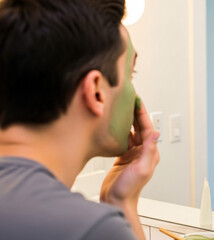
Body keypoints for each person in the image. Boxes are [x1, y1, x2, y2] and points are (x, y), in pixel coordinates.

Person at [0, 0, 159, 239]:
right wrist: (123, 206)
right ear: (96, 92)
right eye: (130, 74)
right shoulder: (92, 229)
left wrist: (117, 198)